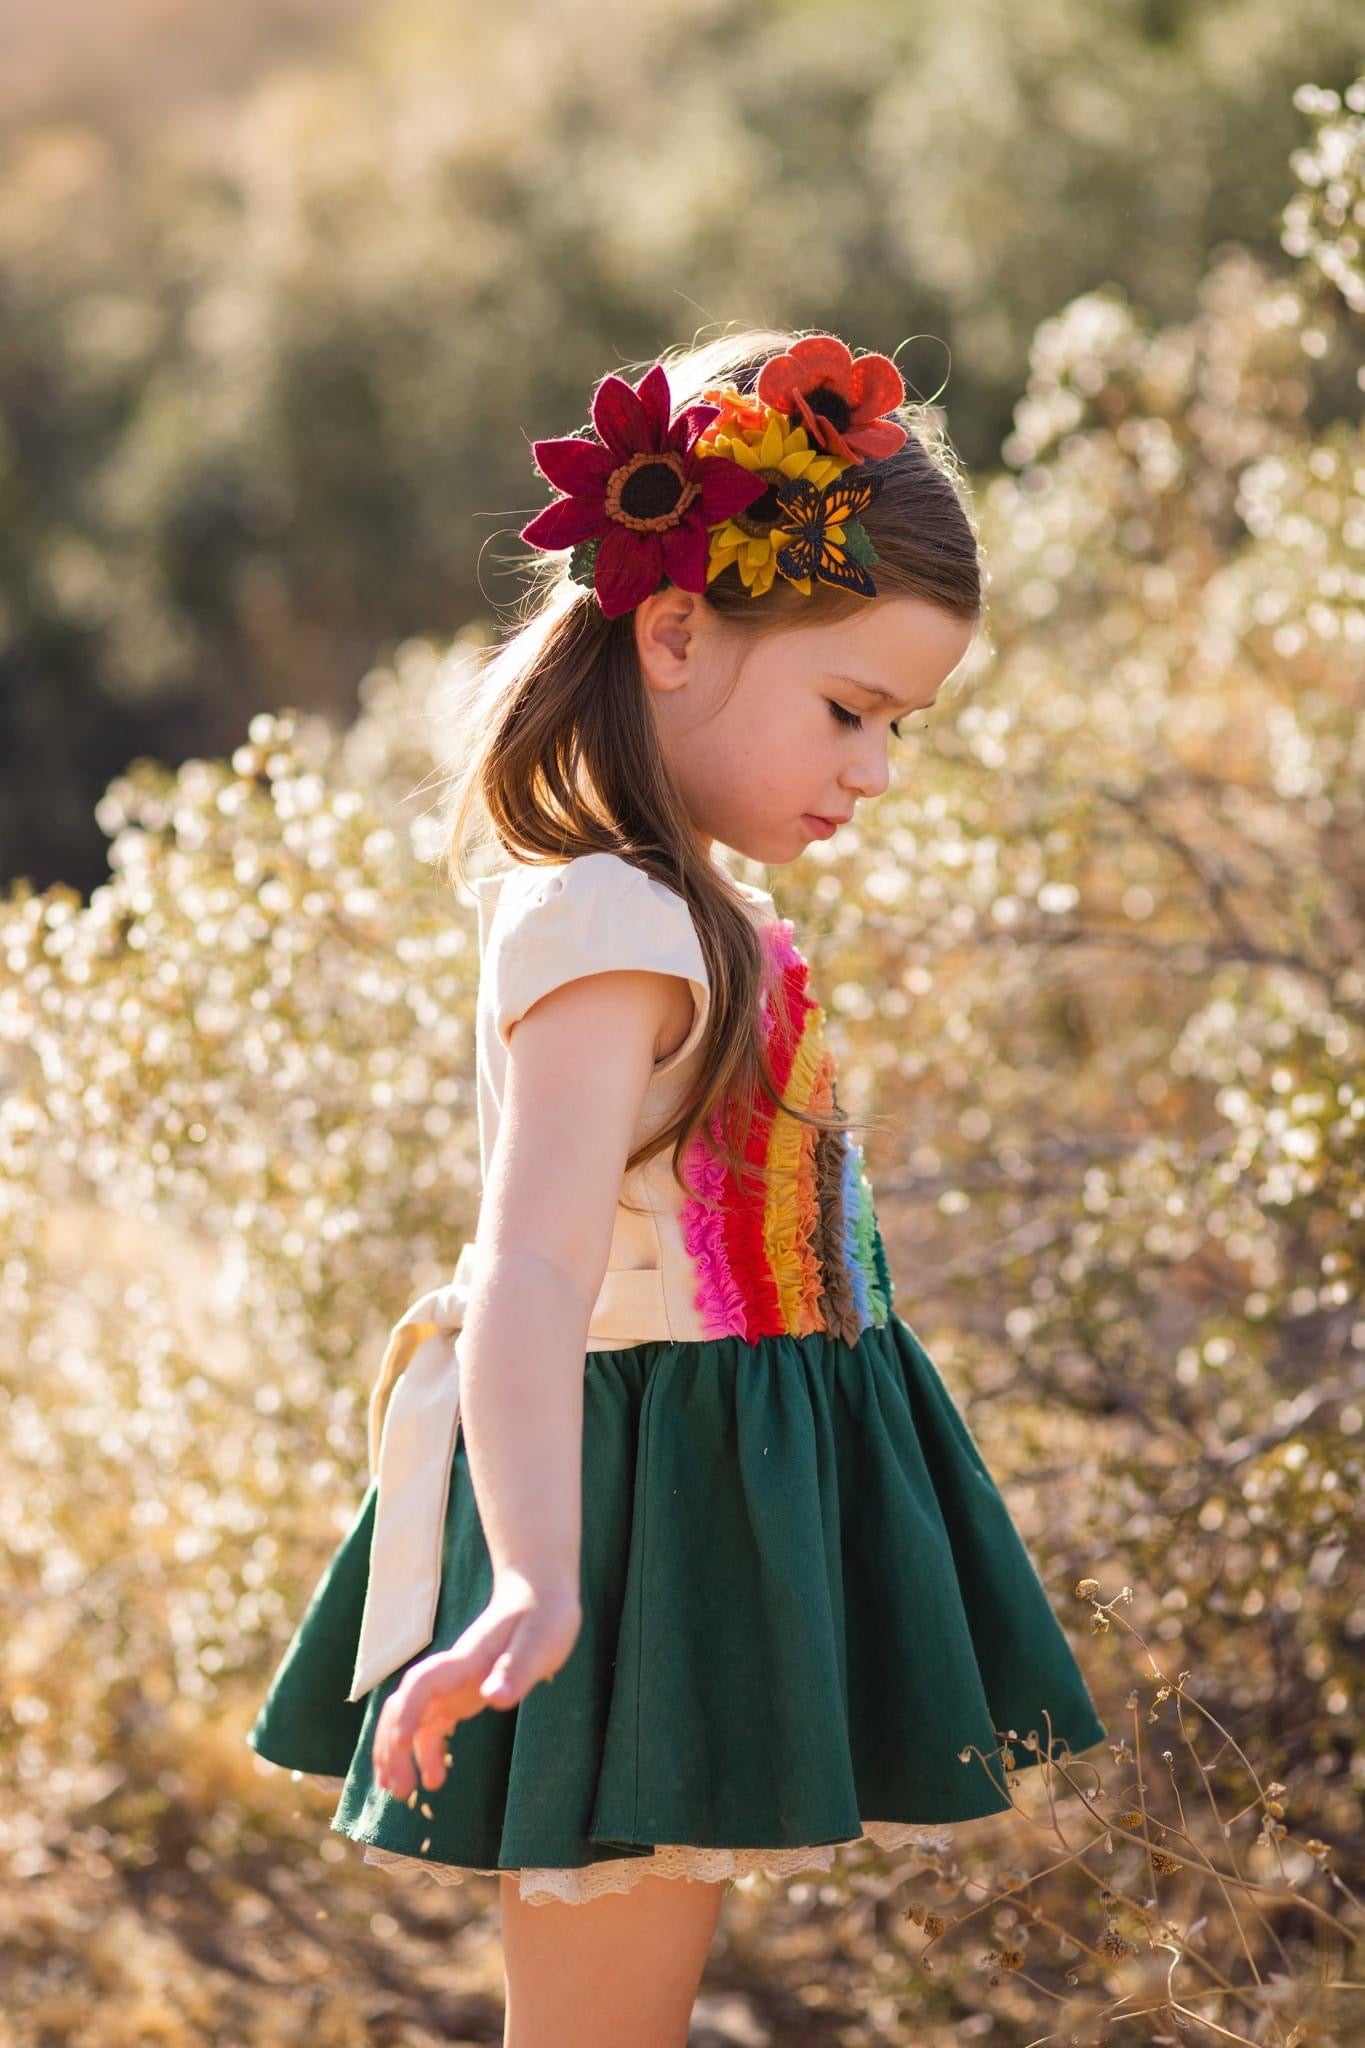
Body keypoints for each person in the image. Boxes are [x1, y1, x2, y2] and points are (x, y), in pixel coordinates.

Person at [246, 326, 1107, 2048]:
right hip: (629, 1511)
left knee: (634, 1996)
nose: (872, 767)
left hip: (720, 1488)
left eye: (899, 725)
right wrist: (538, 1582)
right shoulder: (610, 922)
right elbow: (532, 1271)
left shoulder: (689, 910)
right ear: (673, 631)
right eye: (848, 709)